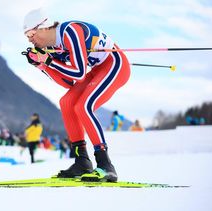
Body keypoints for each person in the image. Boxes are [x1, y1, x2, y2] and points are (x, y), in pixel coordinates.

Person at [22, 9, 131, 181]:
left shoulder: (70, 31)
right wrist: (42, 66)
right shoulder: (52, 48)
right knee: (66, 102)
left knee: (83, 106)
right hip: (97, 70)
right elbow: (68, 82)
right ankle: (82, 162)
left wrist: (48, 61)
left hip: (115, 64)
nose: (30, 39)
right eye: (27, 36)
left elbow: (79, 73)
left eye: (30, 34)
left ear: (43, 27)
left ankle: (106, 165)